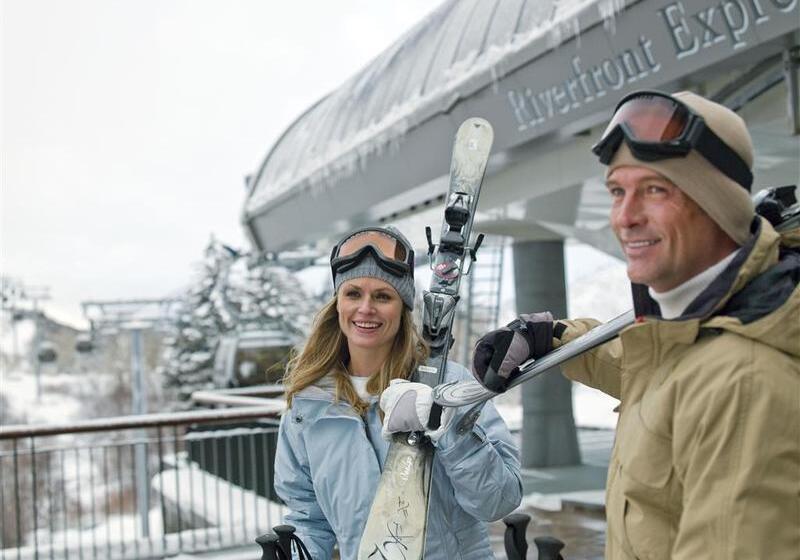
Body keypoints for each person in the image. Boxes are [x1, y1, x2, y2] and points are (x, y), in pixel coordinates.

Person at [472, 91, 800, 559]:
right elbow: (646, 366)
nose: (625, 217)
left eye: (655, 190)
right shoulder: (693, 327)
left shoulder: (745, 383)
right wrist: (551, 339)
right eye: (617, 192)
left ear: (717, 206)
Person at [274, 225, 522, 560]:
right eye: (353, 294)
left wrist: (448, 426)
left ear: (402, 308)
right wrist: (295, 553)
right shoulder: (309, 406)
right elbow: (309, 519)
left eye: (382, 296)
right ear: (337, 305)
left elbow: (498, 500)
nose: (366, 308)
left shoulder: (448, 384)